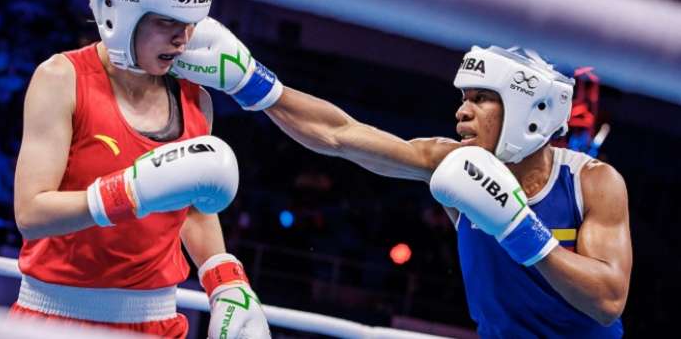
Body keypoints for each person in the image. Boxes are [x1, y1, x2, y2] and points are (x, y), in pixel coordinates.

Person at [171, 18, 632, 338]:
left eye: (481, 99)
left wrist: (519, 228)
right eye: (463, 97)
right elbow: (340, 134)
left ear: (529, 111)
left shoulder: (592, 182)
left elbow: (608, 300)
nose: (461, 110)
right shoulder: (450, 162)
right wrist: (252, 82)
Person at [11, 0, 269, 338]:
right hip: (56, 315)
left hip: (157, 322)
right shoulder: (61, 79)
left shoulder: (196, 100)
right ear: (125, 15)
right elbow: (31, 212)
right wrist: (129, 192)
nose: (182, 38)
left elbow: (191, 209)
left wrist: (226, 282)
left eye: (189, 23)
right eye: (167, 21)